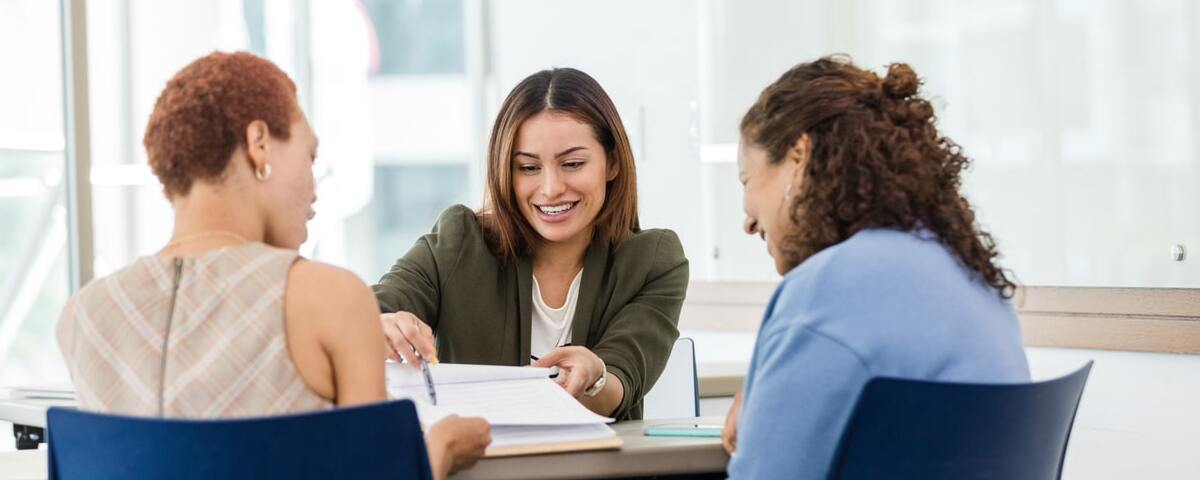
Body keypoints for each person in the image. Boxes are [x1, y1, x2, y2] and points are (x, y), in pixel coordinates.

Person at [55, 51, 489, 480]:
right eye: (310, 157)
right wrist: (441, 446)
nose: (315, 188)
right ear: (258, 144)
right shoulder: (329, 299)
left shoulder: (82, 316)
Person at [720, 56, 1031, 478]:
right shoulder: (973, 275)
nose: (747, 219)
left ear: (799, 156)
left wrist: (761, 416)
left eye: (746, 180)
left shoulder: (824, 290)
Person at [373, 68, 688, 420]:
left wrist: (594, 376)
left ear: (612, 162)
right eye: (528, 167)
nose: (551, 188)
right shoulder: (460, 240)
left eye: (573, 163)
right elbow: (370, 309)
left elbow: (623, 378)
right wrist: (381, 322)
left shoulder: (653, 261)